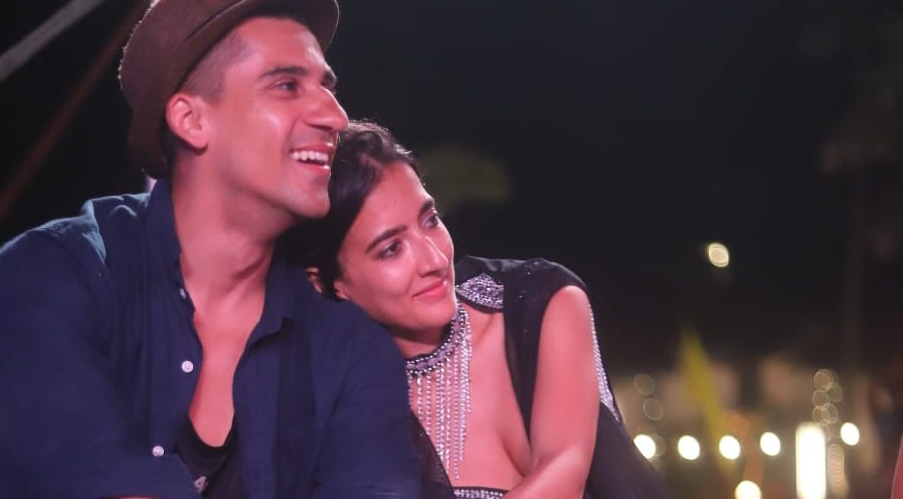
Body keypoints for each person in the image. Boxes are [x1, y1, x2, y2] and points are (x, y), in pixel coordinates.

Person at [0, 0, 418, 498]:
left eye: (327, 87)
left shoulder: (350, 346)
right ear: (190, 119)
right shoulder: (51, 276)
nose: (336, 117)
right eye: (287, 85)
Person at [284, 121, 669, 498]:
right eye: (391, 249)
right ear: (328, 282)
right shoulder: (333, 398)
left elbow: (563, 474)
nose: (434, 260)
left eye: (430, 221)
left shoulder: (541, 301)